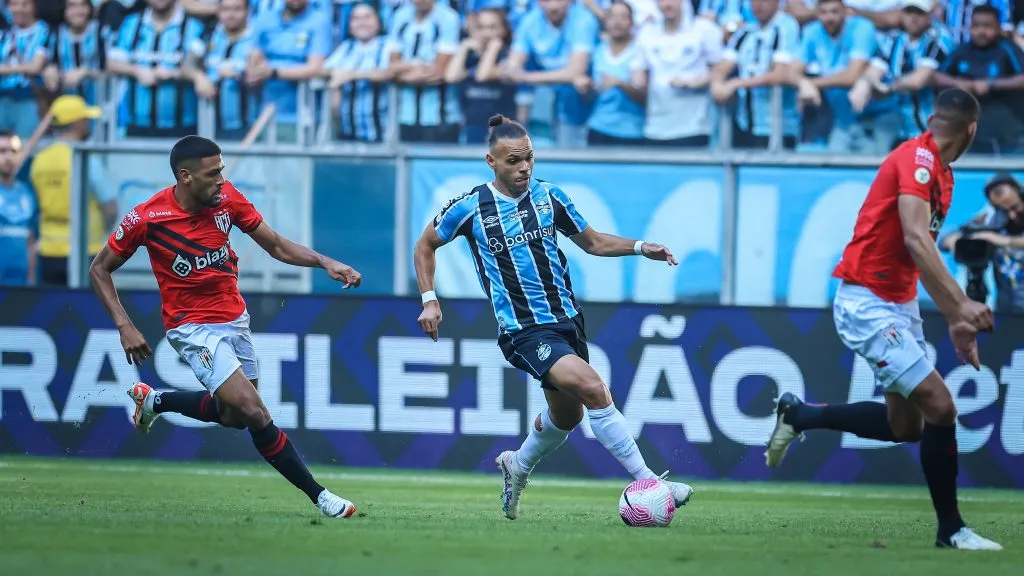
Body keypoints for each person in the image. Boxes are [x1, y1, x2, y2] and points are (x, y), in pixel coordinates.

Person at [412, 114, 694, 521]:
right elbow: (425, 245)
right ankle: (652, 483)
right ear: (491, 162)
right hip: (523, 329)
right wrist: (429, 299)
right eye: (513, 161)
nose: (524, 167)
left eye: (529, 158)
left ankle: (517, 465)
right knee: (593, 388)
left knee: (568, 415)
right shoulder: (470, 208)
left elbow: (593, 242)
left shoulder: (550, 197)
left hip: (567, 321)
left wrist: (640, 246)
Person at [764, 88, 1002, 551]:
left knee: (906, 428)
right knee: (942, 407)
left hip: (899, 302)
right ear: (971, 130)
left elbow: (920, 254)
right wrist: (960, 305)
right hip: (867, 302)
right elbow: (915, 238)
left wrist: (956, 320)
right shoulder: (916, 161)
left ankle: (800, 414)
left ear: (933, 120)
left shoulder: (943, 175)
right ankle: (952, 530)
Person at [88, 135, 362, 519]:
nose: (221, 179)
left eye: (221, 170)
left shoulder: (227, 199)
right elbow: (99, 269)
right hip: (191, 328)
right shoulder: (148, 218)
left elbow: (275, 245)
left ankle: (154, 401)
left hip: (235, 319)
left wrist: (324, 262)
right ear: (185, 177)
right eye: (212, 173)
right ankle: (320, 496)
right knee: (254, 411)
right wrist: (124, 325)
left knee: (234, 416)